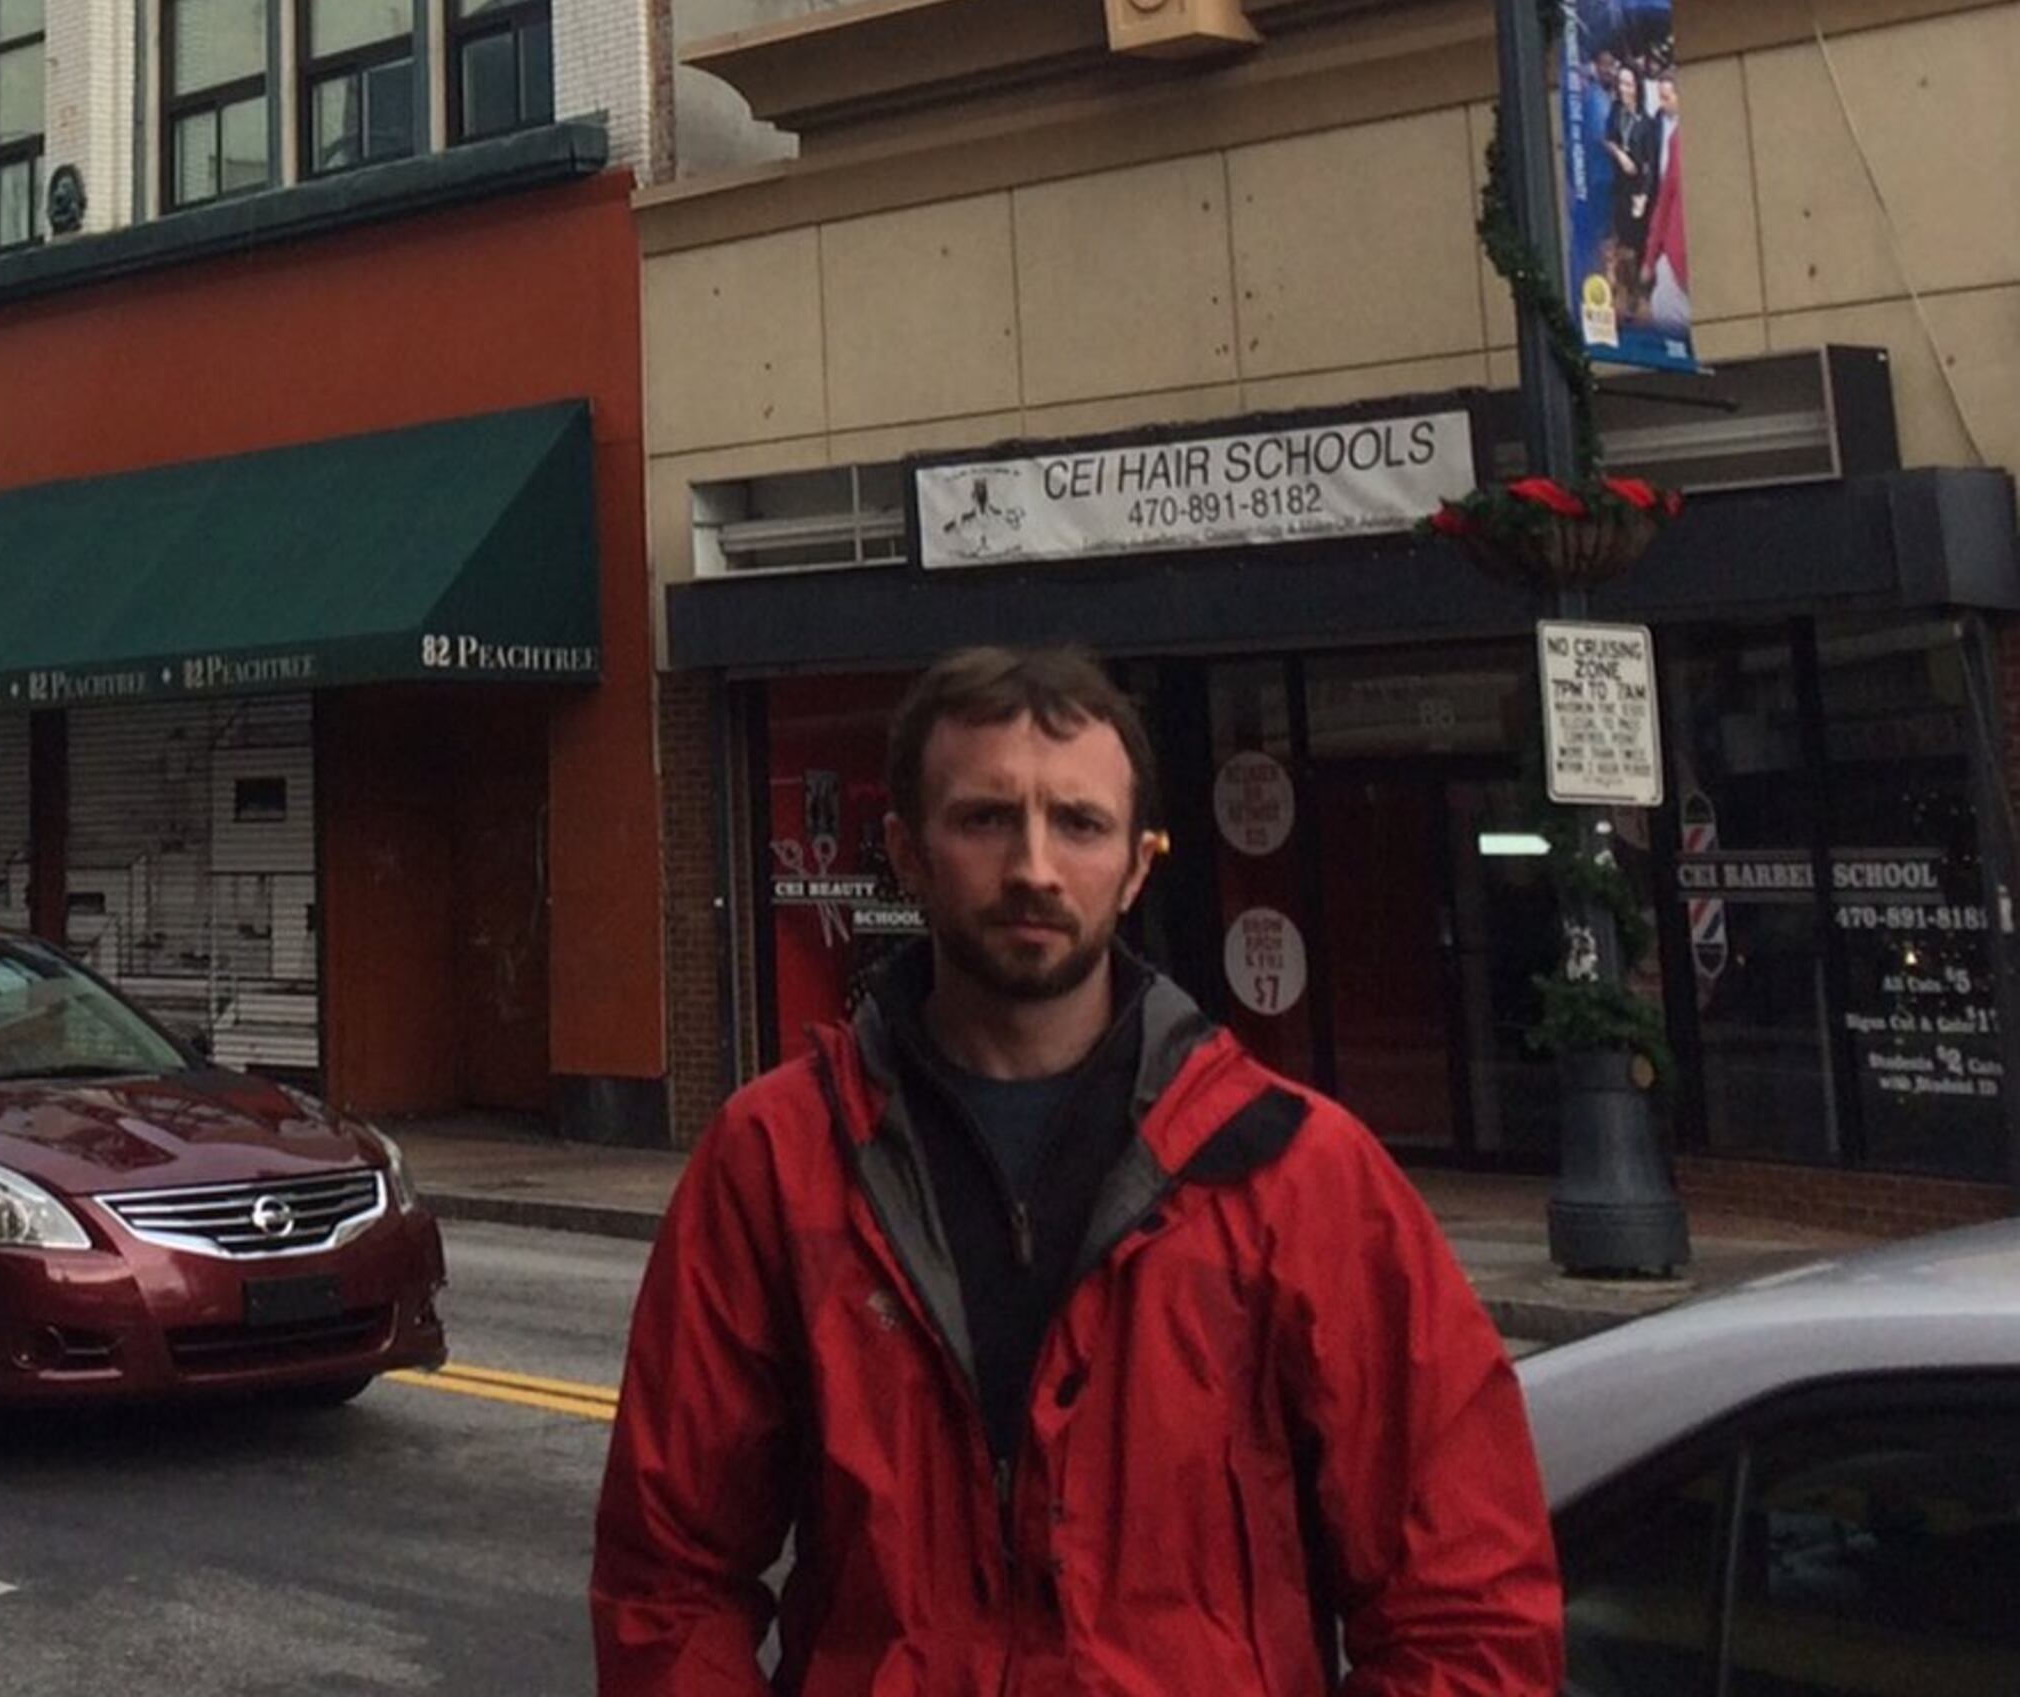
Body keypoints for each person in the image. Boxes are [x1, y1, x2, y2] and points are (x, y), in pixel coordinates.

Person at [591, 644, 1559, 1695]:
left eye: (1081, 823)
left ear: (1140, 863)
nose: (1035, 867)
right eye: (986, 817)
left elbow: (1466, 1606)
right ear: (907, 851)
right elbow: (671, 1577)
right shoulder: (774, 1160)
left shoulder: (1298, 1171)